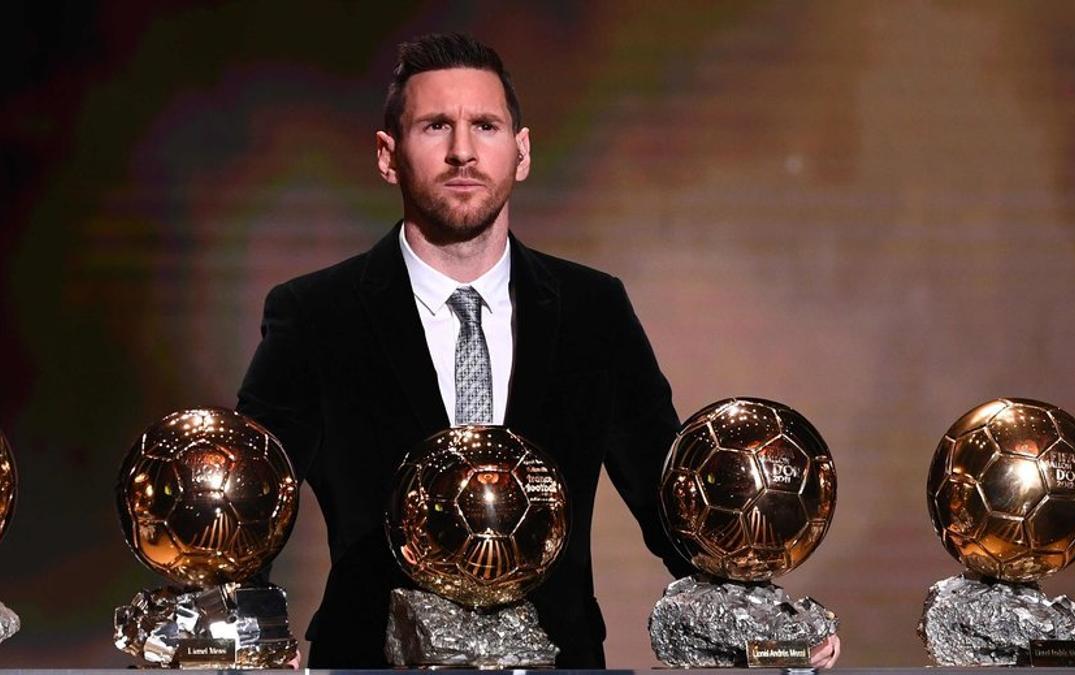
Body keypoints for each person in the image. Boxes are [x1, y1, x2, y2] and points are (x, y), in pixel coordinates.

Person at [237, 32, 839, 668]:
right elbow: (250, 502)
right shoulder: (316, 314)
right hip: (374, 661)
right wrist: (243, 642)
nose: (462, 151)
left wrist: (764, 621)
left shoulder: (594, 309)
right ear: (388, 155)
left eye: (486, 126)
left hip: (559, 661)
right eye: (436, 125)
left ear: (521, 152)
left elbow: (674, 501)